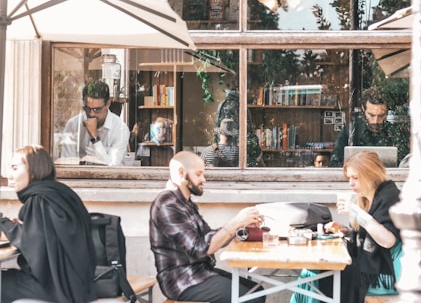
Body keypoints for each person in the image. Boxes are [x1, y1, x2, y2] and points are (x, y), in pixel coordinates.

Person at [149, 151, 265, 303]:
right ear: (181, 172)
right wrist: (235, 222)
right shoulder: (167, 204)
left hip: (199, 272)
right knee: (250, 298)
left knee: (256, 292)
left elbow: (210, 238)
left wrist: (241, 226)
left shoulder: (185, 203)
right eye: (198, 174)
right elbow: (200, 249)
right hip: (180, 279)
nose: (203, 179)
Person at [291, 151, 402, 303]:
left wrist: (356, 212)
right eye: (349, 178)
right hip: (369, 267)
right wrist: (345, 231)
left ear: (371, 174)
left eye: (355, 178)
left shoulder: (389, 196)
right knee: (311, 271)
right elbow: (366, 239)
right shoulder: (368, 199)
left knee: (315, 274)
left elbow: (387, 240)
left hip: (384, 274)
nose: (351, 183)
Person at [0, 145, 97, 303]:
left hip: (53, 287)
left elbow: (34, 247)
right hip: (78, 284)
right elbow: (47, 235)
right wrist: (25, 227)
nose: (9, 176)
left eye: (14, 168)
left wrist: (5, 225)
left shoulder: (39, 200)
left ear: (33, 170)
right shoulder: (60, 193)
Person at [329, 86, 409, 167]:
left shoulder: (395, 132)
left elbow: (405, 164)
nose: (376, 121)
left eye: (381, 115)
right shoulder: (350, 132)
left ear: (387, 112)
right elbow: (335, 164)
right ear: (363, 109)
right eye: (371, 115)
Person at [61, 80, 130, 165]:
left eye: (97, 110)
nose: (91, 114)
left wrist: (95, 139)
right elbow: (67, 162)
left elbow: (113, 167)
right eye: (88, 109)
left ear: (108, 104)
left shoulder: (120, 129)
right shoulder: (73, 125)